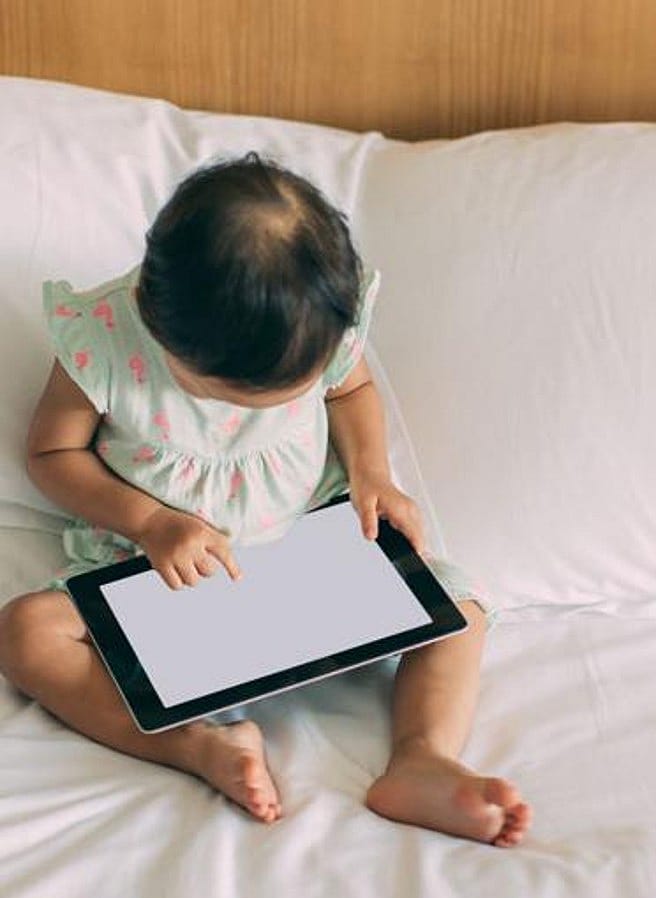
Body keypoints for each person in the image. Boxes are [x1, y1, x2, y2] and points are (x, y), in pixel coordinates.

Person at [0, 152, 532, 846]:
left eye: (291, 392)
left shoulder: (322, 318)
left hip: (307, 549)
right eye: (237, 398)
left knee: (460, 613)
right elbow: (51, 455)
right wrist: (151, 522)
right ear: (155, 325)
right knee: (26, 634)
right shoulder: (102, 341)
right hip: (160, 571)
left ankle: (421, 757)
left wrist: (372, 475)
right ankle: (198, 745)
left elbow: (351, 390)